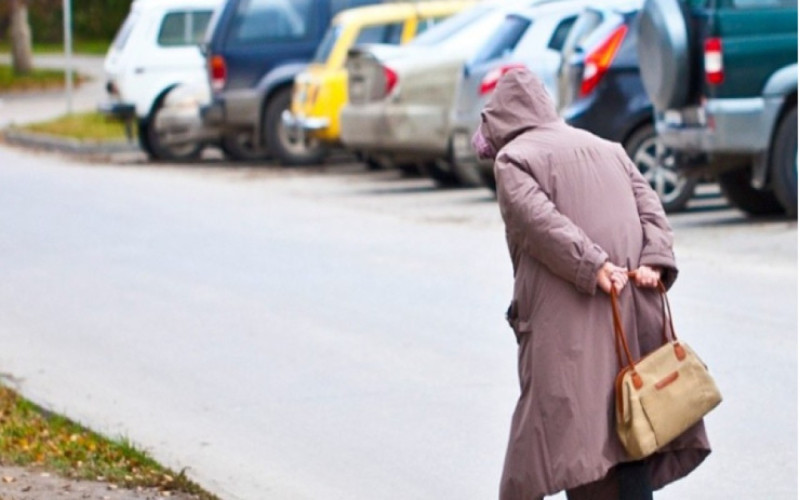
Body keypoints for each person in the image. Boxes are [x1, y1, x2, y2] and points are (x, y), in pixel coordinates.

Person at [472, 68, 711, 500]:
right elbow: (651, 209)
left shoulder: (514, 160)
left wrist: (592, 263)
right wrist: (653, 259)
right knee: (628, 424)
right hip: (628, 310)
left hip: (569, 324)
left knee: (576, 437)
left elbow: (537, 221)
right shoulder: (608, 148)